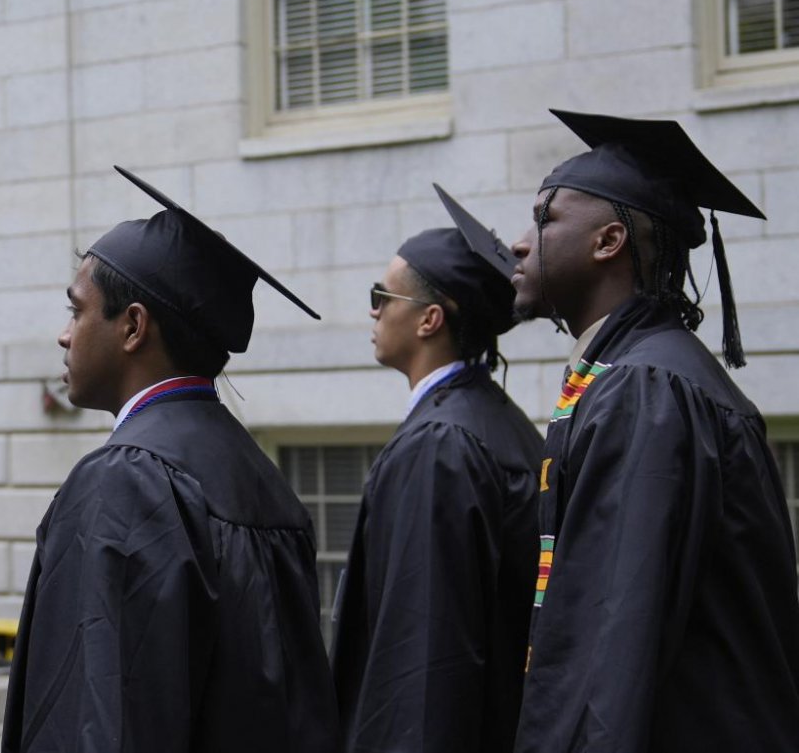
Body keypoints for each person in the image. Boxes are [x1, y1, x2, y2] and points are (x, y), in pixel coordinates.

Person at [1, 166, 337, 753]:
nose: (64, 335)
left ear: (133, 326)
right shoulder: (263, 479)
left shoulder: (126, 481)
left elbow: (97, 721)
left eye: (77, 311)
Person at [510, 110, 799, 752]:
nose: (519, 243)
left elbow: (611, 647)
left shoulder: (647, 391)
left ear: (608, 241)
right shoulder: (644, 373)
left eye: (544, 218)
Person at [331, 185, 542, 753]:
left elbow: (423, 661)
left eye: (382, 295)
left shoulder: (441, 446)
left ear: (428, 320)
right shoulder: (502, 424)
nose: (372, 310)